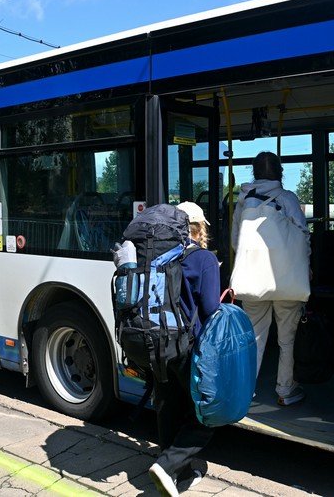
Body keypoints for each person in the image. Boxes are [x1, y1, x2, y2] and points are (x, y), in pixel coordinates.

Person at [148, 201, 221, 497]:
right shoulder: (202, 258)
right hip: (187, 347)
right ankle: (167, 466)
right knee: (207, 415)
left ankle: (177, 473)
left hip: (156, 341)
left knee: (168, 405)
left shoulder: (158, 255)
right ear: (200, 228)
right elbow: (211, 308)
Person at [231, 151, 310, 407]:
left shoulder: (243, 201)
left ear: (254, 173)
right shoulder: (287, 198)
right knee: (286, 338)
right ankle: (285, 390)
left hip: (252, 281)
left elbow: (235, 242)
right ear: (280, 172)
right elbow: (302, 238)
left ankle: (245, 390)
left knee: (253, 337)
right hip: (286, 281)